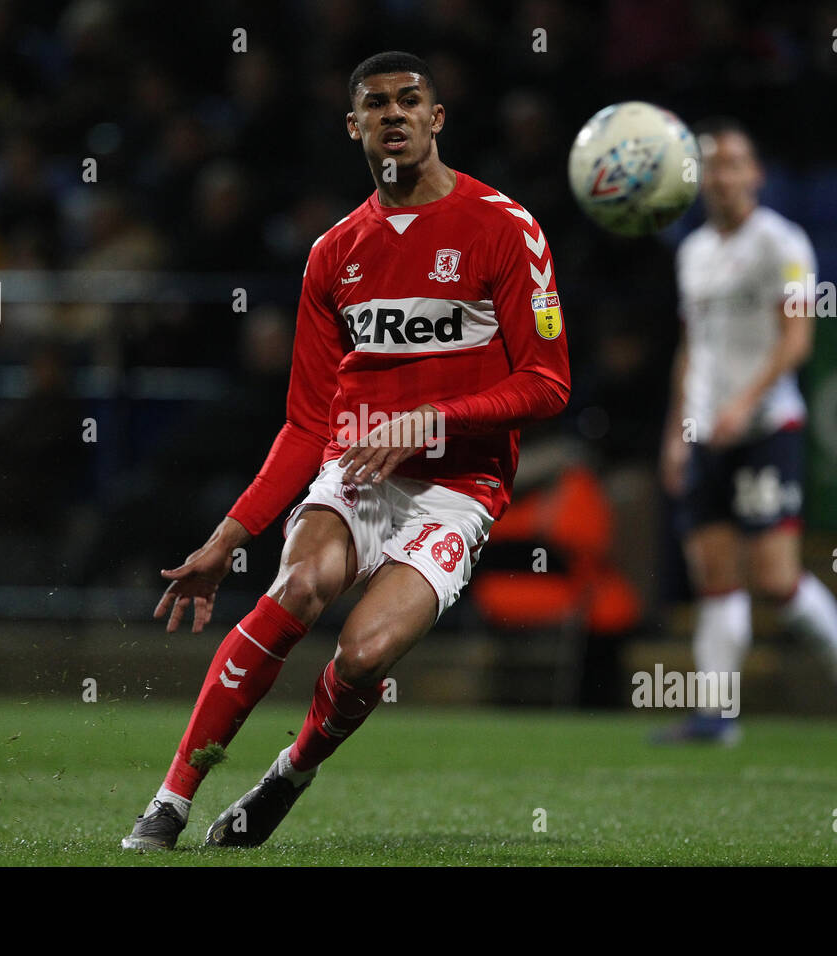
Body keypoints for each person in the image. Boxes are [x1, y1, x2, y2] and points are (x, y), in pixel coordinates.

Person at [122, 51, 570, 850]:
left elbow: (546, 384)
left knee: (363, 656)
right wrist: (229, 536)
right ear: (353, 126)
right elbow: (303, 425)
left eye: (409, 101)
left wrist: (430, 421)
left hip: (458, 487)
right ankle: (170, 800)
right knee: (299, 585)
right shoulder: (334, 252)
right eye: (375, 105)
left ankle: (289, 774)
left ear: (437, 119)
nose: (392, 114)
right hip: (356, 470)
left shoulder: (506, 227)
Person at [657, 118, 837, 746]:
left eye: (733, 164)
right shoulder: (693, 250)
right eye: (710, 166)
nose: (721, 176)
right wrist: (677, 432)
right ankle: (718, 716)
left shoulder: (783, 243)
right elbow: (689, 349)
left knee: (776, 579)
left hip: (765, 428)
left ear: (755, 174)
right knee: (714, 574)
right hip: (705, 434)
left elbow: (797, 339)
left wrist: (743, 405)